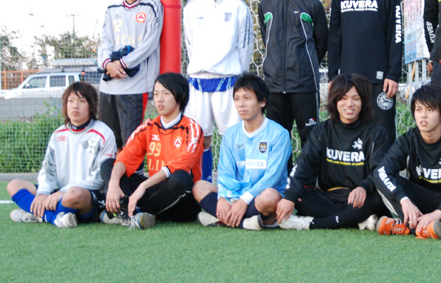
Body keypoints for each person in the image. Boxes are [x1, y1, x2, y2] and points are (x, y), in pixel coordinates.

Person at [276, 74, 391, 231]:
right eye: (343, 98)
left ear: (363, 101)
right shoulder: (322, 131)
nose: (349, 104)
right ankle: (358, 219)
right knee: (300, 196)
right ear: (334, 101)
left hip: (362, 197)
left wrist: (364, 187)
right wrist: (289, 197)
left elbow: (380, 171)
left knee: (380, 197)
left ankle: (312, 224)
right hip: (330, 197)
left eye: (356, 98)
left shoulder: (377, 133)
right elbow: (303, 164)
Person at [374, 84, 441, 239]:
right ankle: (427, 227)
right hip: (417, 200)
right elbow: (382, 171)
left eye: (430, 110)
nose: (423, 116)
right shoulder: (407, 140)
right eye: (418, 110)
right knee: (383, 178)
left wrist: (439, 212)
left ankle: (408, 225)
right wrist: (404, 200)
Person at [184, 0, 254, 182]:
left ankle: (233, 184)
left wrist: (240, 78)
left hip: (228, 81)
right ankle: (202, 184)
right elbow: (189, 44)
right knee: (200, 136)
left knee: (233, 137)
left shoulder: (238, 7)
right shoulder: (192, 7)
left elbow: (245, 46)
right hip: (199, 81)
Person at [101, 72, 204, 229]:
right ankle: (136, 213)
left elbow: (182, 164)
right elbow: (125, 157)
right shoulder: (148, 127)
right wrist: (113, 184)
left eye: (165, 93)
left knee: (180, 178)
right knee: (109, 165)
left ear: (181, 96)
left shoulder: (192, 128)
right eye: (156, 94)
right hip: (155, 191)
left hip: (181, 199)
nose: (159, 99)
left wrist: (143, 186)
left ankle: (133, 212)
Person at [7, 82, 117, 228]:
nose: (75, 106)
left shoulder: (104, 133)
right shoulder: (58, 134)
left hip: (86, 196)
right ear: (65, 105)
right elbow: (48, 171)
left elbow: (99, 178)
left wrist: (62, 192)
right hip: (60, 194)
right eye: (71, 101)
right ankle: (54, 218)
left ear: (91, 106)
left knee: (74, 194)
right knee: (14, 185)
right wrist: (43, 193)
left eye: (81, 101)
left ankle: (37, 214)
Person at [193, 73, 291, 231]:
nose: (241, 104)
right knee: (199, 187)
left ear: (262, 101)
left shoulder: (279, 134)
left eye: (247, 98)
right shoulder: (230, 134)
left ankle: (223, 219)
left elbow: (273, 177)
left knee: (269, 197)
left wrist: (245, 200)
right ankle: (247, 222)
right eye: (237, 99)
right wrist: (223, 197)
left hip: (260, 196)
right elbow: (225, 171)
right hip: (235, 194)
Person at [328, 0, 403, 143]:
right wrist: (333, 76)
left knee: (383, 134)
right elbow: (334, 39)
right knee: (349, 133)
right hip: (348, 80)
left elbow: (396, 35)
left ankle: (384, 165)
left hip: (381, 81)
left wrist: (393, 74)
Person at [258, 0, 328, 151]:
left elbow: (321, 43)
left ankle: (307, 174)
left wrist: (304, 65)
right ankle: (282, 174)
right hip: (274, 86)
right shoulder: (266, 4)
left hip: (304, 85)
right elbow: (267, 40)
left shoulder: (313, 4)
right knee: (278, 141)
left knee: (310, 139)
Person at [99, 0, 163, 150]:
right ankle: (112, 173)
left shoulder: (152, 6)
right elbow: (105, 41)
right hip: (108, 86)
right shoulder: (112, 10)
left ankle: (131, 173)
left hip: (134, 86)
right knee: (110, 145)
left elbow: (149, 44)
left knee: (131, 146)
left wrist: (123, 63)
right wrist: (108, 64)